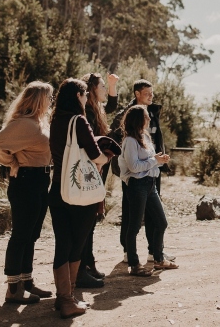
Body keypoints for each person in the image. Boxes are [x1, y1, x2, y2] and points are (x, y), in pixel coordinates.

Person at [48, 78, 111, 318]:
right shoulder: (80, 121)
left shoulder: (55, 121)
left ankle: (62, 297)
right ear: (78, 96)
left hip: (58, 190)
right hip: (80, 192)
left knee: (61, 243)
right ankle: (68, 299)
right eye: (85, 95)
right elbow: (96, 156)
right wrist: (106, 155)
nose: (87, 99)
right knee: (77, 243)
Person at [0, 81, 55, 305]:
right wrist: (12, 161)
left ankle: (27, 282)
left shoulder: (39, 122)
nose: (51, 101)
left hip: (40, 179)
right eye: (49, 97)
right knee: (21, 235)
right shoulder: (25, 124)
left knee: (32, 234)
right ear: (39, 99)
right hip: (26, 180)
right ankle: (13, 290)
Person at [111, 79, 175, 263]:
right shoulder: (125, 115)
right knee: (131, 214)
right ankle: (128, 252)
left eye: (152, 93)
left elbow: (156, 138)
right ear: (137, 93)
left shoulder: (153, 112)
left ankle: (155, 251)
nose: (151, 96)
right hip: (133, 176)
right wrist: (122, 166)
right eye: (147, 93)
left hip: (153, 170)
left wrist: (158, 160)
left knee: (154, 214)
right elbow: (116, 140)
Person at [118, 105, 178, 276]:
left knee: (161, 222)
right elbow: (134, 167)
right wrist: (155, 160)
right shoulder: (129, 141)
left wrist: (159, 160)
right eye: (146, 117)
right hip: (137, 185)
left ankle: (158, 259)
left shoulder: (145, 136)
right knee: (135, 226)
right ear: (139, 119)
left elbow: (149, 161)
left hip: (150, 184)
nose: (149, 119)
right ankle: (135, 265)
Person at [75, 72, 119, 288]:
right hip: (92, 171)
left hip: (98, 169)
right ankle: (82, 267)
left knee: (91, 220)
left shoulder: (96, 109)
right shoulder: (89, 113)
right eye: (102, 86)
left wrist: (112, 85)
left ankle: (88, 263)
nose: (104, 90)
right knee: (87, 220)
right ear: (92, 89)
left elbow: (111, 106)